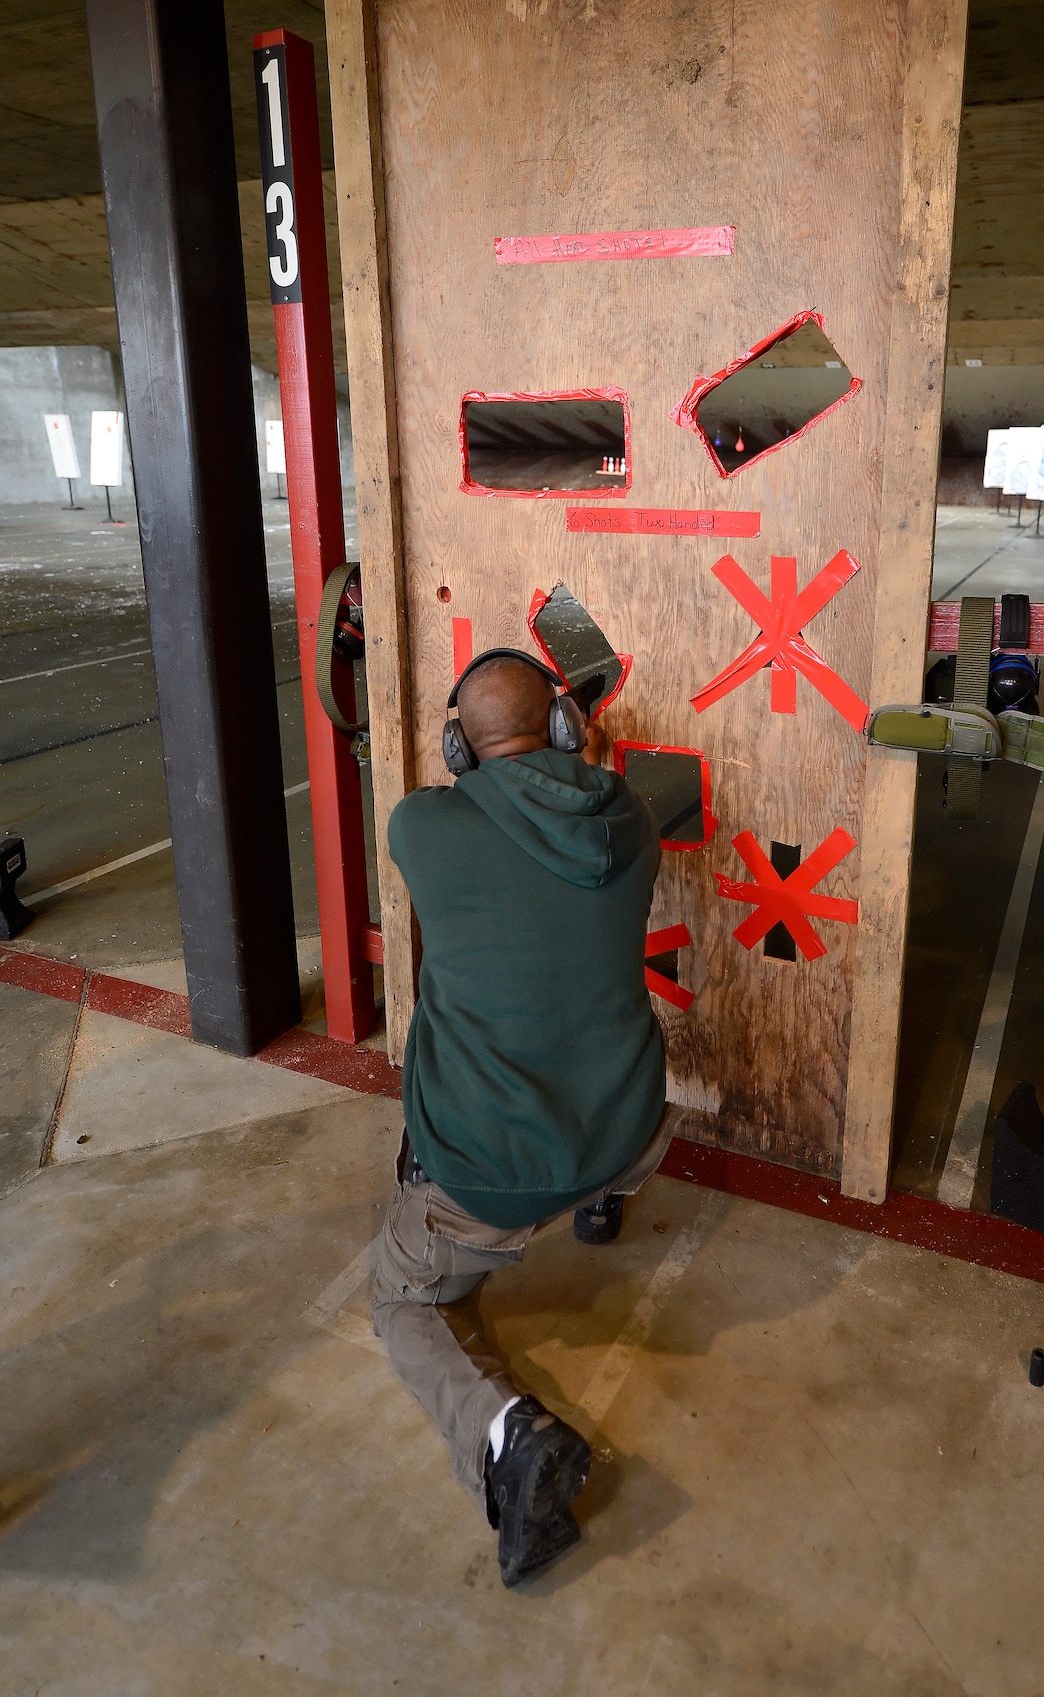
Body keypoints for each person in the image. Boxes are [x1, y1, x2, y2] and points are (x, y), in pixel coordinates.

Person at [371, 648, 676, 1587]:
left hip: (492, 1175)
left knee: (400, 1297)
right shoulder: (629, 817)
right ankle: (597, 1202)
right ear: (560, 728)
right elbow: (576, 798)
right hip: (631, 1130)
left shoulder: (424, 825)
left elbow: (469, 819)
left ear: (460, 747)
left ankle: (506, 1437)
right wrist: (577, 749)